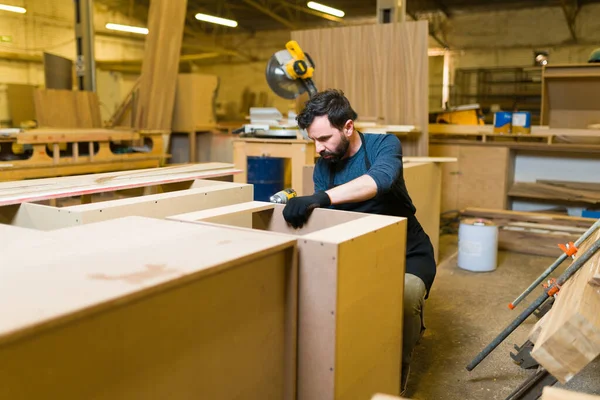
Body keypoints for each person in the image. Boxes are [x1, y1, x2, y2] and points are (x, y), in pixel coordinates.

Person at [283, 89, 436, 396]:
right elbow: (327, 218)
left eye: (325, 138)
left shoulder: (384, 144)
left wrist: (322, 197)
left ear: (348, 127)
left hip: (408, 250)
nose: (319, 148)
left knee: (404, 300)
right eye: (313, 140)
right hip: (360, 248)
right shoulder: (324, 165)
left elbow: (378, 181)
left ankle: (394, 376)